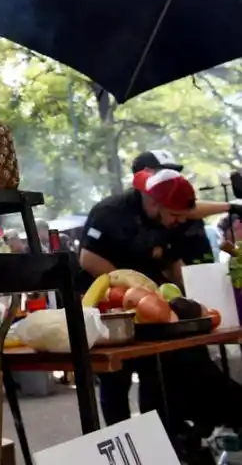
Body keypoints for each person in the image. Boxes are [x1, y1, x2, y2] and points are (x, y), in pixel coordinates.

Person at [79, 167, 242, 439]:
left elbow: (173, 262)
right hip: (109, 303)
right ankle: (122, 440)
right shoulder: (110, 212)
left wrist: (186, 298)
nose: (178, 221)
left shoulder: (167, 220)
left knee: (155, 372)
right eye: (175, 215)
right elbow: (88, 259)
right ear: (155, 203)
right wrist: (131, 288)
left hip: (150, 306)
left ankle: (162, 438)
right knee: (115, 378)